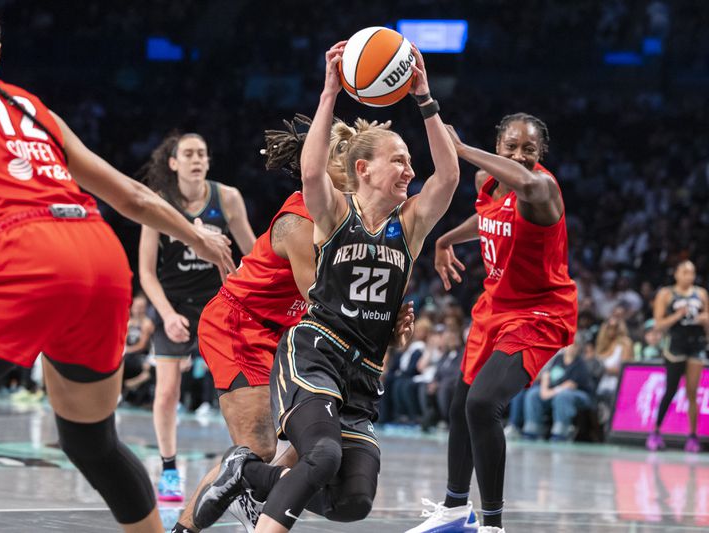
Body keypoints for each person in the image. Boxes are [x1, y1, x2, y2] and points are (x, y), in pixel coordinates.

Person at [0, 3, 234, 532]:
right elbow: (129, 194)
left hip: (25, 255)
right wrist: (196, 233)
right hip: (99, 256)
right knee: (91, 440)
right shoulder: (38, 111)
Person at [191, 41, 459, 532]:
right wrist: (329, 89)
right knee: (306, 451)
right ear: (360, 170)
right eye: (398, 160)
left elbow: (448, 176)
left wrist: (425, 98)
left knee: (351, 497)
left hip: (356, 367)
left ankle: (248, 478)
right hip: (292, 338)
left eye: (408, 161)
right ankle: (209, 515)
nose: (409, 169)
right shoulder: (323, 217)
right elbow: (328, 292)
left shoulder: (411, 223)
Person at [172, 115, 415, 533]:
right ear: (342, 169)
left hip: (288, 333)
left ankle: (258, 496)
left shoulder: (360, 219)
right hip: (241, 324)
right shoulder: (304, 221)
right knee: (257, 448)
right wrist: (380, 324)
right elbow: (325, 304)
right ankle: (196, 520)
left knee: (313, 450)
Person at [408, 112, 578, 533]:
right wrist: (446, 239)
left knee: (483, 405)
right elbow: (486, 218)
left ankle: (493, 525)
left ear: (541, 155)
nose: (520, 156)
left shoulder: (542, 189)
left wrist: (463, 150)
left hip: (540, 313)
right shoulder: (487, 182)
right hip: (495, 308)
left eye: (529, 149)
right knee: (459, 400)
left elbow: (524, 184)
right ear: (499, 146)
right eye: (512, 147)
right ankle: (453, 510)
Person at [138, 131, 256, 501]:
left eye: (202, 153)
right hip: (173, 303)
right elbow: (145, 271)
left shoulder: (228, 198)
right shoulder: (158, 202)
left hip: (216, 302)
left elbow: (253, 256)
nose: (196, 159)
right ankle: (170, 469)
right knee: (167, 389)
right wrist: (167, 315)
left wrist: (237, 287)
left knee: (239, 391)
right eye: (188, 154)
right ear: (173, 163)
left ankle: (245, 469)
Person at [646, 260, 709, 453]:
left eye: (692, 272)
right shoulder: (666, 294)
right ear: (676, 274)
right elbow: (658, 324)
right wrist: (678, 315)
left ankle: (692, 436)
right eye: (685, 272)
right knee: (671, 389)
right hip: (675, 345)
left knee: (692, 391)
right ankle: (655, 432)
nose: (689, 276)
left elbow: (707, 319)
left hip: (696, 344)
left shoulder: (701, 293)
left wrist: (704, 319)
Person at [522, 342, 595, 441]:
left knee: (563, 396)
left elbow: (569, 385)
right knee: (533, 394)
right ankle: (533, 430)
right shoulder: (558, 359)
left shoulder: (580, 364)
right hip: (553, 391)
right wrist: (544, 390)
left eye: (575, 346)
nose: (571, 348)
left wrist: (549, 393)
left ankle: (561, 432)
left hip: (579, 394)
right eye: (569, 345)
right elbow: (546, 375)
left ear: (578, 348)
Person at [123, 294, 155, 406]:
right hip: (129, 354)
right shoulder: (129, 322)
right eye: (136, 307)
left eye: (141, 307)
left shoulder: (147, 323)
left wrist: (126, 350)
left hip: (142, 356)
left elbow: (142, 345)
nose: (138, 310)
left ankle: (136, 382)